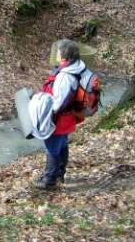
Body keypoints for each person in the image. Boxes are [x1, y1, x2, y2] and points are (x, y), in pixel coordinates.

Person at [35, 39, 86, 190]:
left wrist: (44, 112)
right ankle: (59, 174)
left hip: (59, 118)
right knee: (62, 145)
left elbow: (58, 102)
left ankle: (49, 180)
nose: (56, 53)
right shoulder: (77, 68)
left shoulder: (65, 75)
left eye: (58, 51)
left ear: (65, 55)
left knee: (52, 147)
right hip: (69, 116)